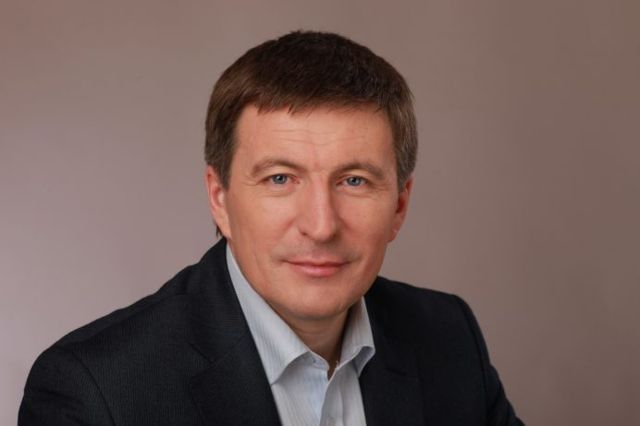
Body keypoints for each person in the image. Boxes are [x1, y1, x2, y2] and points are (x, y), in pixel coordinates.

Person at [19, 31, 523, 425]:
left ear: (399, 206)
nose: (320, 226)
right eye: (280, 179)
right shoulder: (95, 391)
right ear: (220, 198)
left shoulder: (448, 338)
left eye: (354, 180)